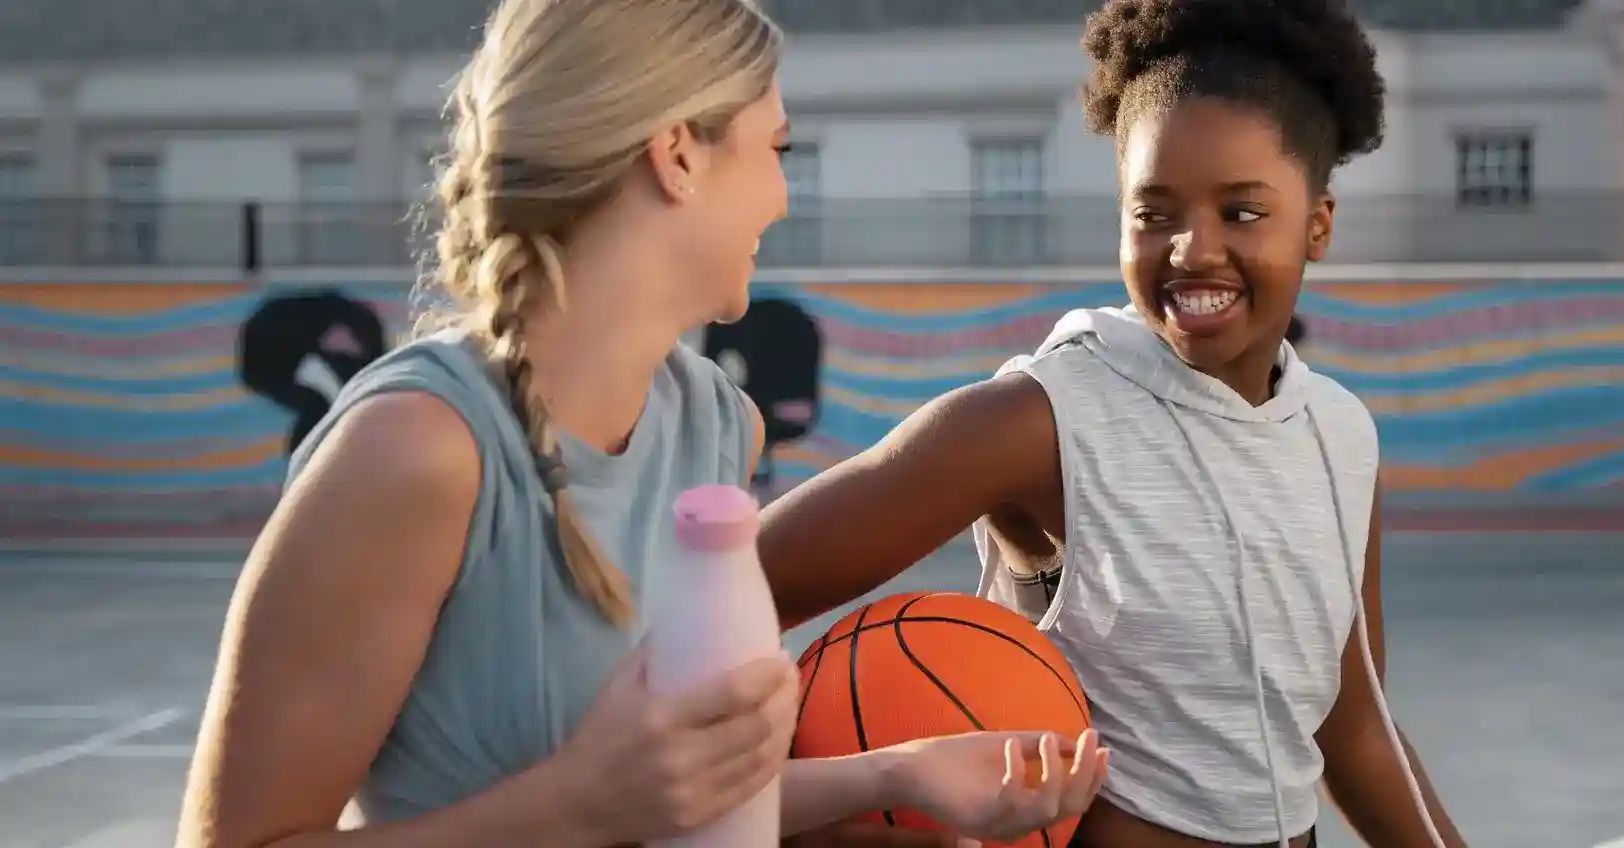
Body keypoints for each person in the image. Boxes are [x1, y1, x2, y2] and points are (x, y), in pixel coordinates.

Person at [173, 1, 1108, 846]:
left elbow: (679, 797)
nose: (783, 197)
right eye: (776, 151)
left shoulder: (715, 428)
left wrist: (899, 774)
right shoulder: (417, 451)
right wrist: (575, 806)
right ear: (678, 155)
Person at [755, 0, 1469, 845]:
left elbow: (1351, 725)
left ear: (1317, 225)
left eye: (1241, 212)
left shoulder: (1341, 435)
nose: (1192, 249)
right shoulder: (1040, 418)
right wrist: (797, 811)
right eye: (1154, 212)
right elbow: (737, 590)